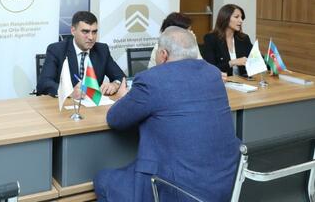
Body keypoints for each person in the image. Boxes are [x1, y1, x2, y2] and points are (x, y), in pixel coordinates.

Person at [94, 27, 240, 202]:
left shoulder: (152, 79)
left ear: (163, 54)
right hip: (225, 186)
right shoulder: (213, 74)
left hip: (178, 190)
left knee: (103, 179)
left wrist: (124, 98)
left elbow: (115, 119)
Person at [36, 11, 125, 97]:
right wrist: (69, 92)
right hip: (66, 104)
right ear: (73, 31)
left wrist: (115, 84)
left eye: (94, 32)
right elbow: (43, 83)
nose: (91, 37)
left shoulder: (102, 50)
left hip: (94, 103)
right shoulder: (57, 50)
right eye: (85, 32)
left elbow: (121, 77)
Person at [203, 4, 253, 77]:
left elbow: (255, 58)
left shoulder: (244, 38)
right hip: (222, 81)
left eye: (241, 18)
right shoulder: (211, 39)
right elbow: (210, 69)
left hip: (243, 81)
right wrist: (232, 63)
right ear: (225, 18)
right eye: (236, 17)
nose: (241, 21)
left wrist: (269, 64)